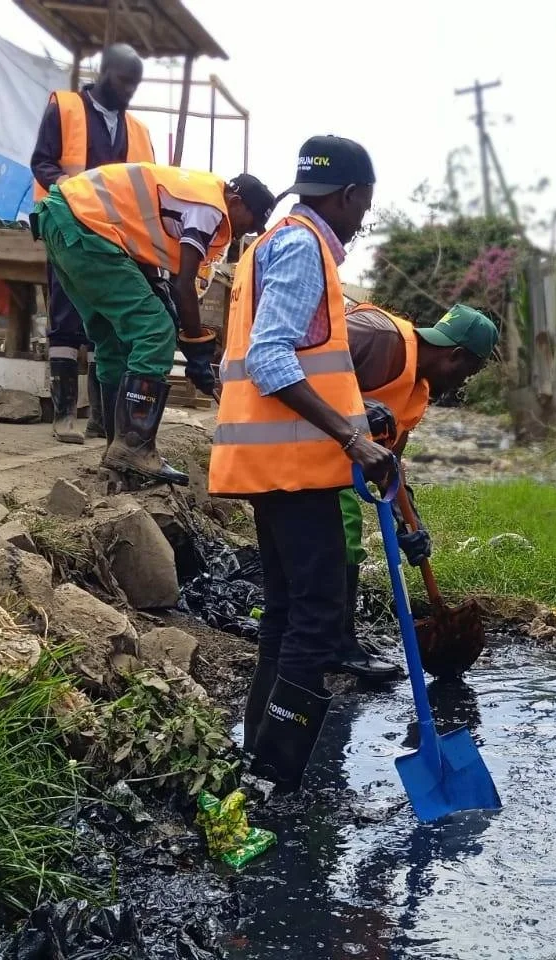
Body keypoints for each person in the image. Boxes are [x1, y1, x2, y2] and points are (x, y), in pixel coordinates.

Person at [208, 135, 394, 793]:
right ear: (346, 196)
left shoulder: (275, 242)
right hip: (296, 468)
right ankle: (277, 779)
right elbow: (272, 358)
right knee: (315, 620)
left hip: (282, 464)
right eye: (365, 203)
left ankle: (258, 764)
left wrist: (356, 417)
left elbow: (303, 360)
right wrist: (351, 440)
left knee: (287, 614)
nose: (365, 218)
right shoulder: (301, 247)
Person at [32, 161, 274, 484]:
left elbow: (164, 276)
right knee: (156, 330)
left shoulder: (194, 193)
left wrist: (192, 344)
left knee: (114, 340)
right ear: (236, 203)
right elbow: (184, 284)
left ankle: (117, 454)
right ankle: (134, 447)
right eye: (251, 222)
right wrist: (197, 349)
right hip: (83, 224)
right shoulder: (211, 209)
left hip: (63, 220)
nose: (245, 232)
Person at [331, 301, 499, 681]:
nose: (460, 385)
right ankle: (336, 645)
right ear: (455, 357)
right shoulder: (376, 335)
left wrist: (410, 523)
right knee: (343, 529)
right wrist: (358, 406)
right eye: (466, 374)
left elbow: (389, 465)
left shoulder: (415, 391)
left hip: (332, 462)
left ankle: (339, 638)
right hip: (295, 454)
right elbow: (306, 360)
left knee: (347, 533)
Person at [30, 43, 154, 446]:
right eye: (124, 80)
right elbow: (42, 161)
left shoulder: (137, 130)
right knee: (66, 319)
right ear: (104, 73)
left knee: (110, 324)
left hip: (115, 238)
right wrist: (63, 185)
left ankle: (102, 419)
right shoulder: (65, 109)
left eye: (137, 84)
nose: (130, 90)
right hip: (70, 231)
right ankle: (64, 414)